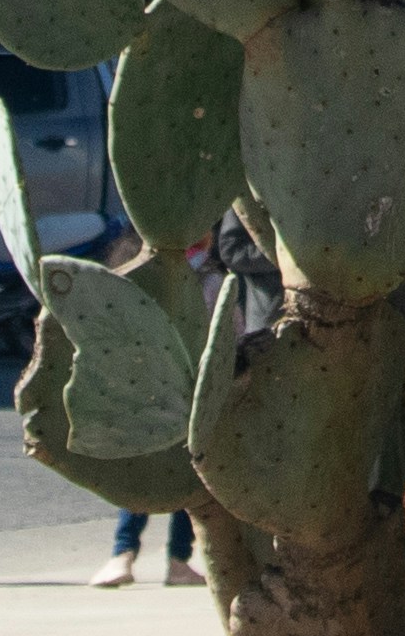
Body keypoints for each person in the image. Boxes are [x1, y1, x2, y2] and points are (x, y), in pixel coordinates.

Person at [87, 216, 270, 587]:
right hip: (152, 388)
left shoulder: (213, 282)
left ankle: (175, 559)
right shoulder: (139, 274)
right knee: (146, 469)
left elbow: (228, 335)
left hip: (195, 392)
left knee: (190, 480)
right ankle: (125, 553)